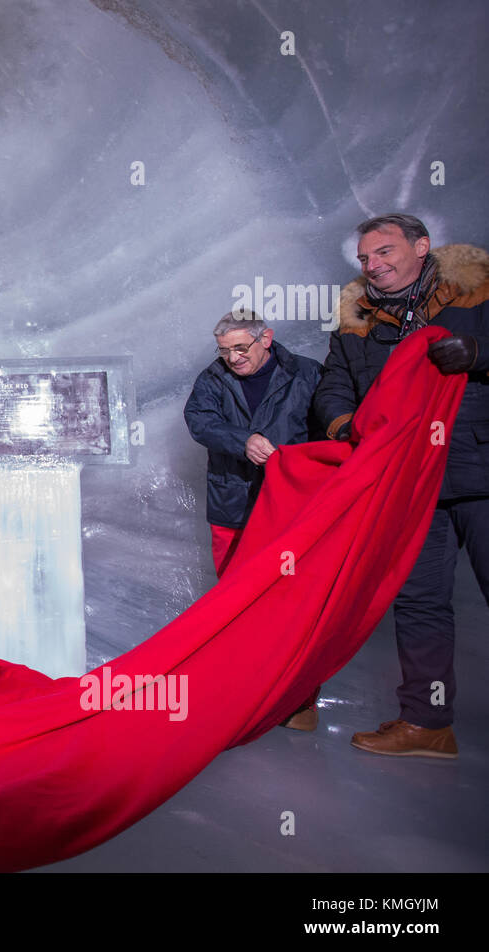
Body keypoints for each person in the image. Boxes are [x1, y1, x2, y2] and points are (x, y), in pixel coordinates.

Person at [314, 213, 489, 758]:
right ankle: (427, 723)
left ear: (422, 246)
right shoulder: (355, 321)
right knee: (419, 602)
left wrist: (480, 356)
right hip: (411, 484)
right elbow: (333, 385)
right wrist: (348, 428)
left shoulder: (478, 296)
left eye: (385, 252)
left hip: (480, 470)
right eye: (366, 259)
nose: (374, 266)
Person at [185, 310, 323, 730]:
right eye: (224, 351)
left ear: (267, 338)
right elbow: (199, 422)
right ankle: (241, 692)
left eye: (241, 348)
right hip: (233, 507)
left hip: (292, 509)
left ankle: (298, 700)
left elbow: (330, 427)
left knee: (294, 604)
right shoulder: (212, 378)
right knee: (236, 603)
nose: (232, 358)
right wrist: (242, 441)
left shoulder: (307, 373)